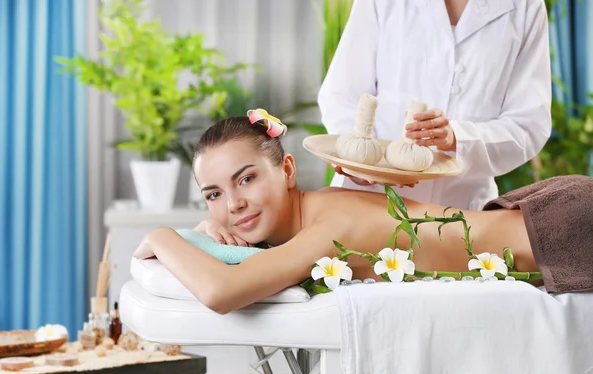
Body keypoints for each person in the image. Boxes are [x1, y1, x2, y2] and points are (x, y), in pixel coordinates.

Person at [133, 115, 592, 315]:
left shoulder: (329, 227)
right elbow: (222, 252)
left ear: (287, 170)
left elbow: (222, 291)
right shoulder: (310, 218)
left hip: (559, 228)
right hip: (540, 221)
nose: (232, 204)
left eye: (246, 179)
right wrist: (204, 229)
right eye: (213, 193)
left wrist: (159, 235)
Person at [317, 0, 552, 211]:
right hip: (366, 201)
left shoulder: (526, 7)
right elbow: (341, 96)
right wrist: (359, 162)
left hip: (459, 210)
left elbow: (529, 126)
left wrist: (457, 139)